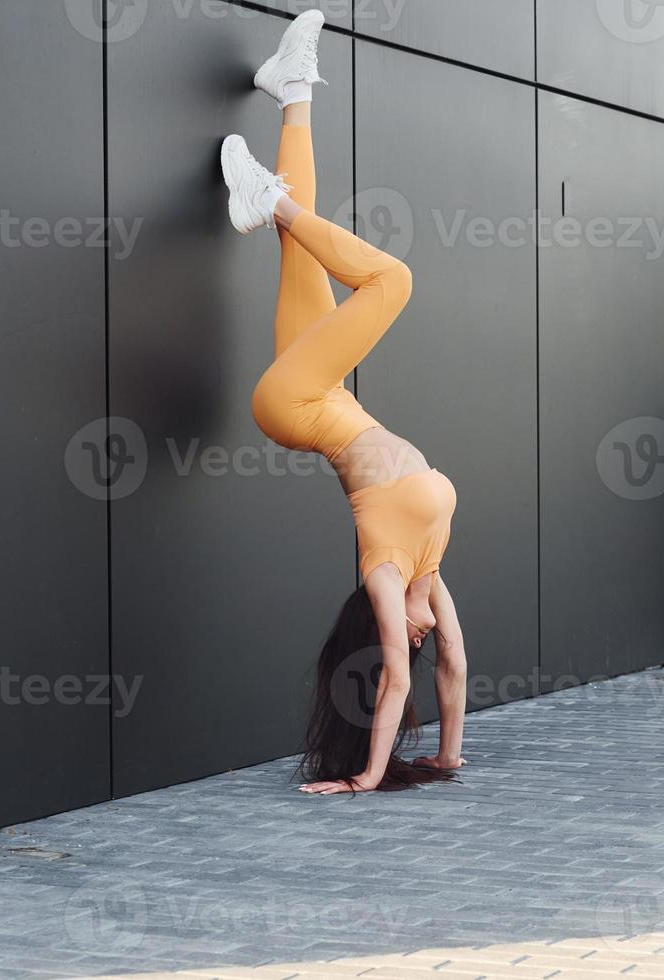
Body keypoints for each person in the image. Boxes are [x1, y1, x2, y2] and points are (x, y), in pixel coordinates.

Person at [220, 10, 468, 795]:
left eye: (412, 637)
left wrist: (368, 777)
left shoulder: (388, 578)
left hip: (294, 405)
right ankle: (292, 90)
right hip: (322, 390)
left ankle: (276, 201)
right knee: (302, 250)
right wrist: (449, 754)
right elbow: (454, 671)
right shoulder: (434, 569)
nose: (426, 639)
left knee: (390, 279)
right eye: (425, 636)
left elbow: (398, 681)